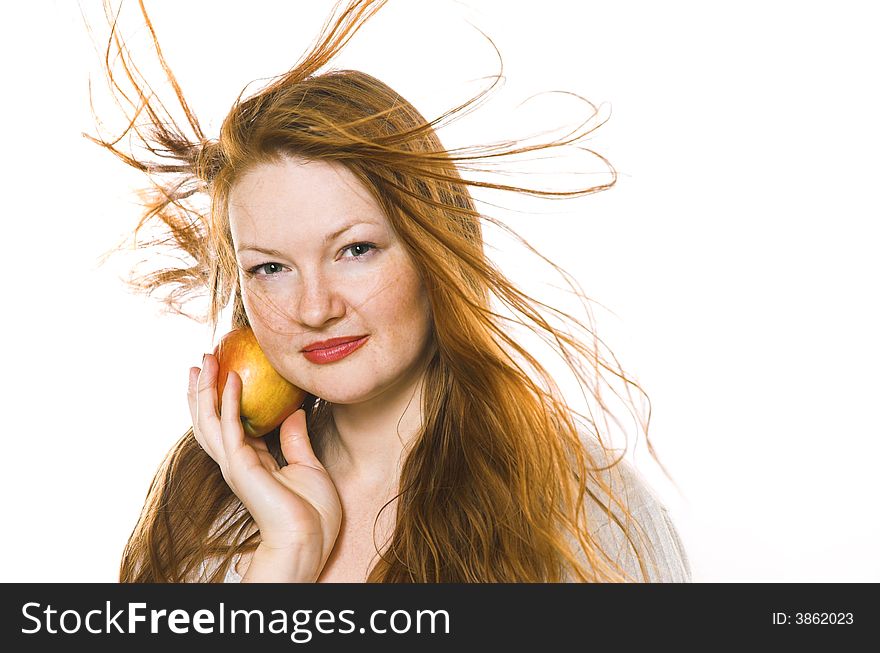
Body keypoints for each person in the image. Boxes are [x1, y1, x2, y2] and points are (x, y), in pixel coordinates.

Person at [87, 0, 692, 583]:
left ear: (435, 253)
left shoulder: (583, 511)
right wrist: (282, 566)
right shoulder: (204, 507)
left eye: (355, 251)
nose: (315, 308)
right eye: (271, 268)